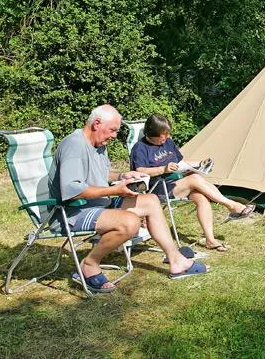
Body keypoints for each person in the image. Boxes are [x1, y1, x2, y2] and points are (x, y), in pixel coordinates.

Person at [49, 105, 208, 293]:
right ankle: (89, 264)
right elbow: (72, 189)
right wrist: (116, 191)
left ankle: (176, 260)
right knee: (130, 223)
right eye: (113, 130)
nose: (115, 135)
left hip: (97, 204)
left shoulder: (98, 144)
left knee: (151, 201)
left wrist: (123, 176)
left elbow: (101, 174)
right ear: (96, 124)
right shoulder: (74, 145)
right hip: (71, 211)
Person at [130, 113, 255, 252]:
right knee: (194, 179)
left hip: (177, 183)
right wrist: (163, 169)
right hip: (157, 188)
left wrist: (199, 164)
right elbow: (139, 171)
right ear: (152, 133)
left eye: (167, 134)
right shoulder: (140, 148)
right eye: (163, 134)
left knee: (201, 197)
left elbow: (180, 163)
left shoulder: (168, 143)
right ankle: (232, 206)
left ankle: (210, 240)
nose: (166, 137)